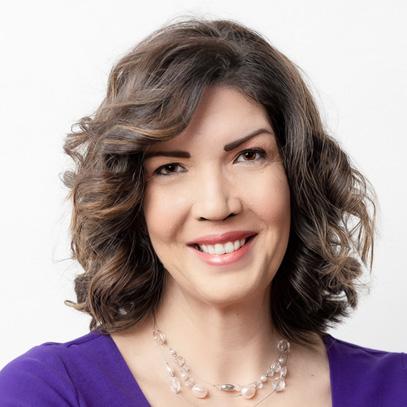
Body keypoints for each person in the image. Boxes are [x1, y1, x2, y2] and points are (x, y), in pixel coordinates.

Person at [0, 17, 406, 407]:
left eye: (249, 155)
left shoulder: (396, 389)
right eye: (170, 168)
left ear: (298, 178)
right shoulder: (46, 393)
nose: (216, 205)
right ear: (130, 197)